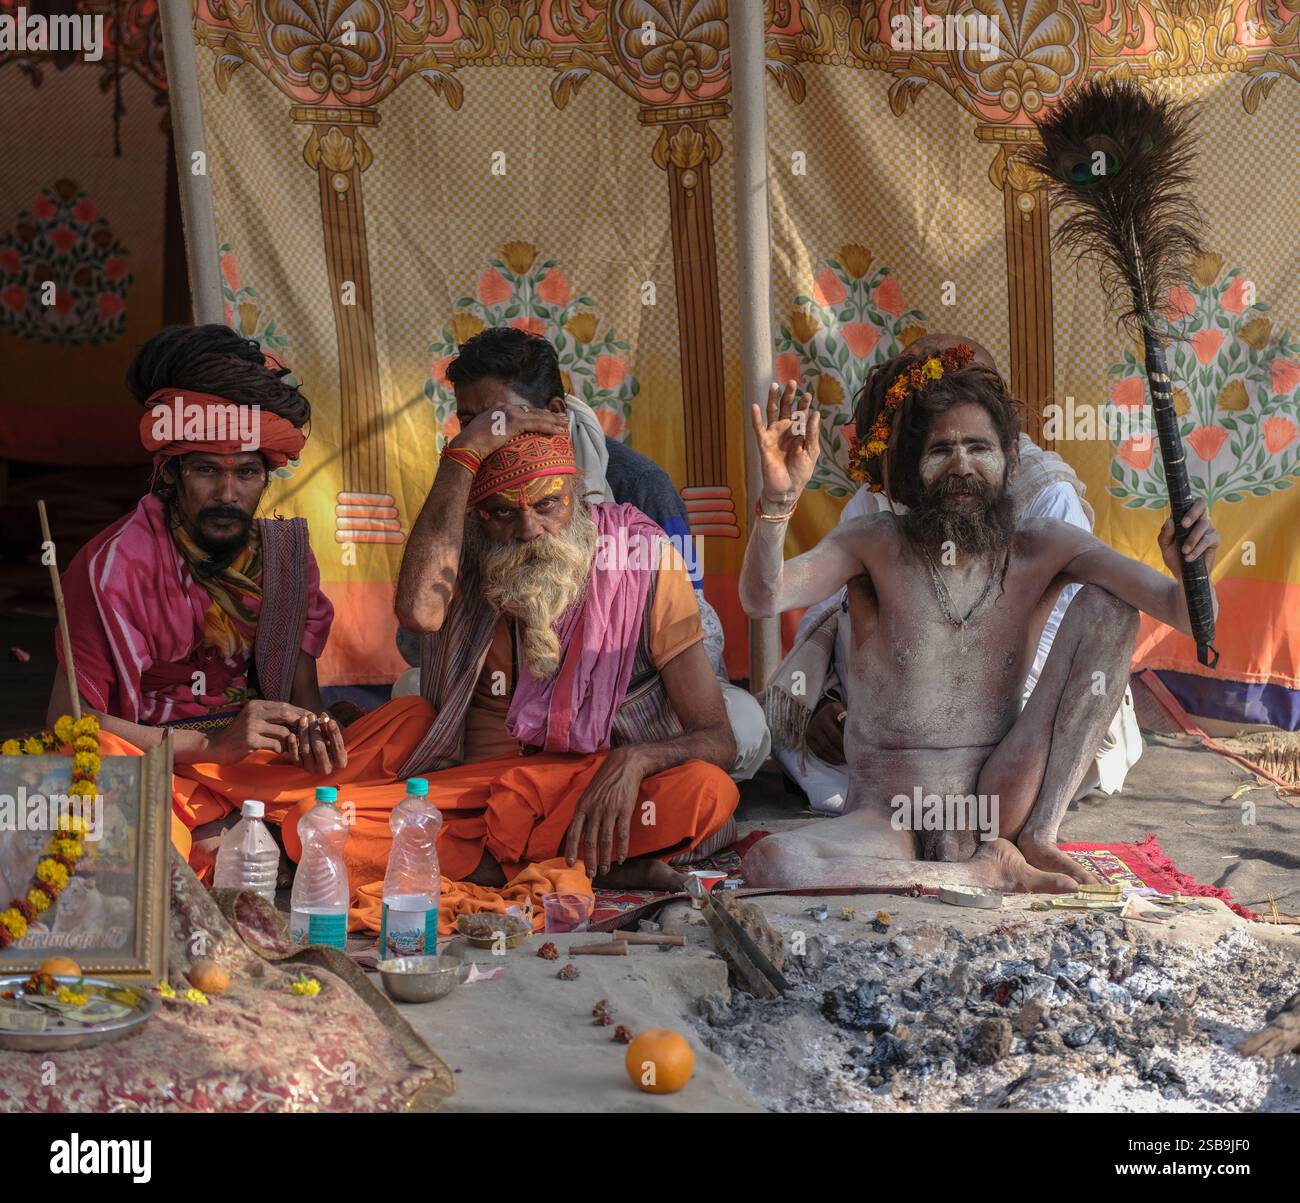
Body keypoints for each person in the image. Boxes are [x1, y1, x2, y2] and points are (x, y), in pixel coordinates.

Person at [739, 343, 1219, 893]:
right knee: (772, 864)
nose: (961, 465)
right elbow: (762, 596)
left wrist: (1191, 571)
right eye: (941, 449)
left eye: (978, 448)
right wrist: (776, 506)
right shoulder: (874, 542)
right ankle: (979, 873)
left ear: (1011, 459)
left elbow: (1185, 614)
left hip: (999, 802)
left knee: (1110, 609)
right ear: (914, 470)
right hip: (888, 819)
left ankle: (1039, 836)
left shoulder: (1044, 546)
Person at [769, 334, 1142, 814]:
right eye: (937, 431)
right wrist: (824, 702)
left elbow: (1058, 640)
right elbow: (823, 612)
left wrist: (956, 717)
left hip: (1013, 718)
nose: (958, 456)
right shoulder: (883, 492)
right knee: (790, 724)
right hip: (892, 727)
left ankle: (1010, 817)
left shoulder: (1046, 495)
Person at [376, 419, 738, 891]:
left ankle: (499, 866)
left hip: (594, 797)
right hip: (480, 800)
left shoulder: (638, 555)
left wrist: (636, 761)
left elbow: (719, 740)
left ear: (578, 497)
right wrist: (462, 453)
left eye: (547, 504)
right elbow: (419, 613)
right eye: (504, 512)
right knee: (330, 820)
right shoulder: (467, 559)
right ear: (478, 518)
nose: (529, 530)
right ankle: (594, 869)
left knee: (707, 794)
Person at [394, 327, 770, 781]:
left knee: (741, 728)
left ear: (553, 415)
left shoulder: (639, 489)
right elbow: (418, 627)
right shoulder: (464, 488)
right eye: (468, 423)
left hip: (627, 715)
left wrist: (610, 697)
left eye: (494, 420)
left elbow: (694, 632)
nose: (480, 436)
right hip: (492, 740)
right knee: (407, 702)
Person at [50, 325, 342, 871]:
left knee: (408, 726)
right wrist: (211, 747)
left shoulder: (286, 556)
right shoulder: (112, 564)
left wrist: (316, 737)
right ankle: (247, 844)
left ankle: (246, 839)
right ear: (172, 474)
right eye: (207, 469)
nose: (228, 494)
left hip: (257, 771)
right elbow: (70, 720)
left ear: (265, 478)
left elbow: (304, 700)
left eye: (247, 473)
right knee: (91, 767)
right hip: (158, 767)